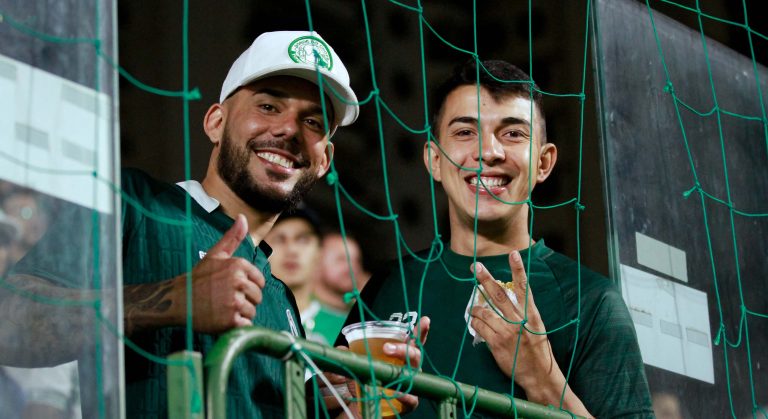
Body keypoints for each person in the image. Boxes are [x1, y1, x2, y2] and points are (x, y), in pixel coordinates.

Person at [0, 30, 426, 418]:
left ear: (325, 160)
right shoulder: (134, 202)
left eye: (313, 121)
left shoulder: (280, 295)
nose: (289, 129)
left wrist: (321, 405)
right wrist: (170, 299)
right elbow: (9, 321)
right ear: (216, 123)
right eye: (268, 105)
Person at [340, 59, 653, 418]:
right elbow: (333, 400)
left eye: (513, 134)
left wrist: (542, 379)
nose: (489, 152)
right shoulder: (388, 285)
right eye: (464, 132)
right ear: (434, 160)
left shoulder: (591, 301)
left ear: (543, 163)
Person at [307, 232, 370, 345]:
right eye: (341, 259)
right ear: (317, 260)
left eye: (357, 261)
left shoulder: (364, 317)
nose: (352, 267)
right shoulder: (301, 308)